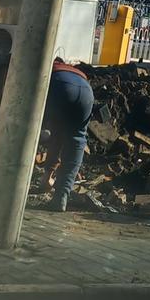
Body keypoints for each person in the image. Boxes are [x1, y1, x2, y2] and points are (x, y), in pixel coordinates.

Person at [40, 57, 95, 213]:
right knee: (77, 140)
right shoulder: (72, 69)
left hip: (59, 85)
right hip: (86, 91)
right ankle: (61, 197)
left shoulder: (48, 68)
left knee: (44, 132)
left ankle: (14, 186)